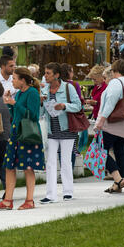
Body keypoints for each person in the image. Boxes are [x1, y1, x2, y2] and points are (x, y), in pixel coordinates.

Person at [0, 67, 45, 210]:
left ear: (23, 80)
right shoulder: (19, 94)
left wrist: (15, 103)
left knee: (28, 167)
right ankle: (7, 200)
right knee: (9, 167)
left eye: (14, 78)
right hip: (15, 134)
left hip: (27, 135)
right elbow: (16, 114)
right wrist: (9, 103)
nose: (12, 81)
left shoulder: (32, 93)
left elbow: (33, 116)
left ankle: (29, 200)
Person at [40, 62, 81, 204]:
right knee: (50, 162)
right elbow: (40, 114)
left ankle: (68, 192)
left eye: (48, 73)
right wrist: (40, 103)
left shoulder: (68, 87)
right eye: (45, 73)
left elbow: (78, 106)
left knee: (65, 161)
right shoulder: (44, 90)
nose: (45, 76)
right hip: (52, 130)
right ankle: (50, 194)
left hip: (67, 129)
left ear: (56, 75)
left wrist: (64, 106)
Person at [94, 59, 124, 193]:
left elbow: (110, 102)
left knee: (100, 149)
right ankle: (118, 183)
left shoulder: (115, 83)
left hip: (113, 123)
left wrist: (101, 120)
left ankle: (118, 179)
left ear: (114, 71)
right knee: (121, 152)